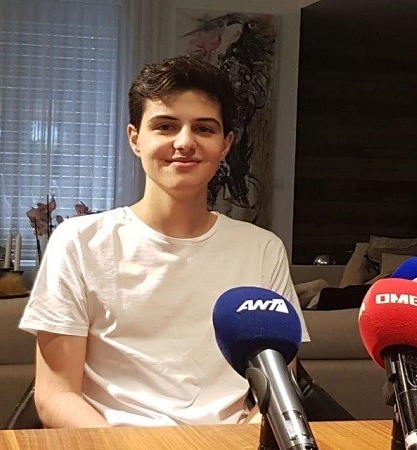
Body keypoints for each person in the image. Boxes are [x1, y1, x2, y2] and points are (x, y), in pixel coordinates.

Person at [18, 55, 309, 428]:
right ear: (135, 138)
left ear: (225, 145)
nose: (185, 142)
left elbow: (279, 391)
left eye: (204, 129)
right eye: (166, 126)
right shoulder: (79, 241)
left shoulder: (262, 249)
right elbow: (56, 396)